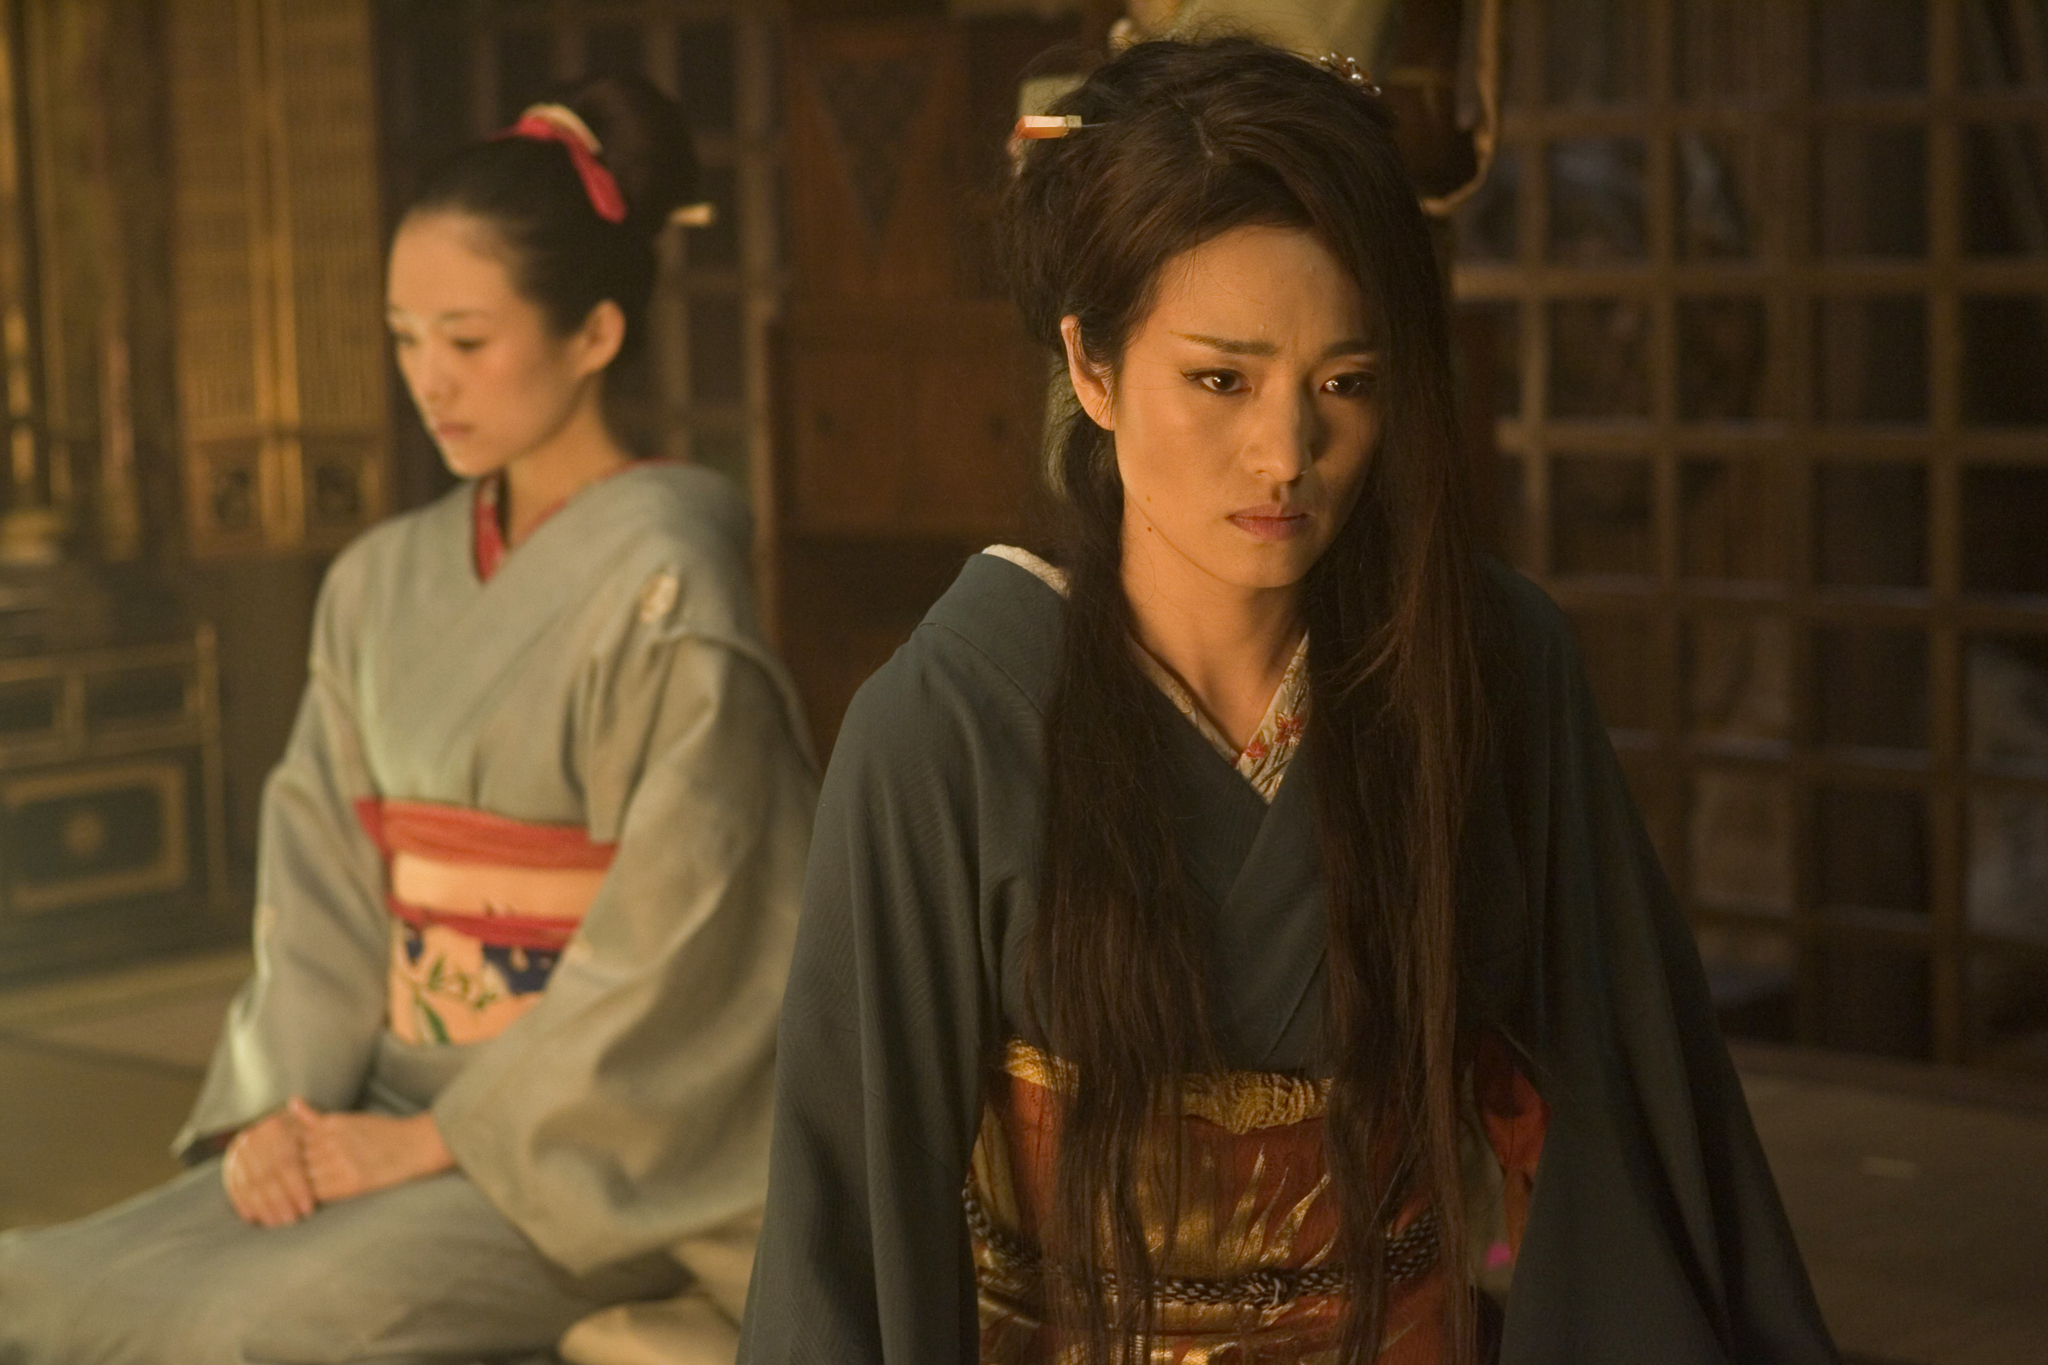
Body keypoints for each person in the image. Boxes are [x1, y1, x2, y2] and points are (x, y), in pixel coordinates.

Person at [739, 38, 1836, 1365]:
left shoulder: (1487, 663)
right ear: (1092, 368)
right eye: (1221, 379)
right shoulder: (947, 721)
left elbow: (1625, 1122)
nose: (1288, 452)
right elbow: (848, 1226)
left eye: (1345, 384)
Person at [0, 72, 816, 1363]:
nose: (430, 381)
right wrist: (280, 1114)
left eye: (467, 341)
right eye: (404, 338)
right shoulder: (377, 582)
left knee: (225, 1327)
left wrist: (436, 1139)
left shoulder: (673, 589)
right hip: (369, 1101)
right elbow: (318, 885)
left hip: (582, 1153)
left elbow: (683, 955)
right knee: (39, 1285)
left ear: (595, 335)